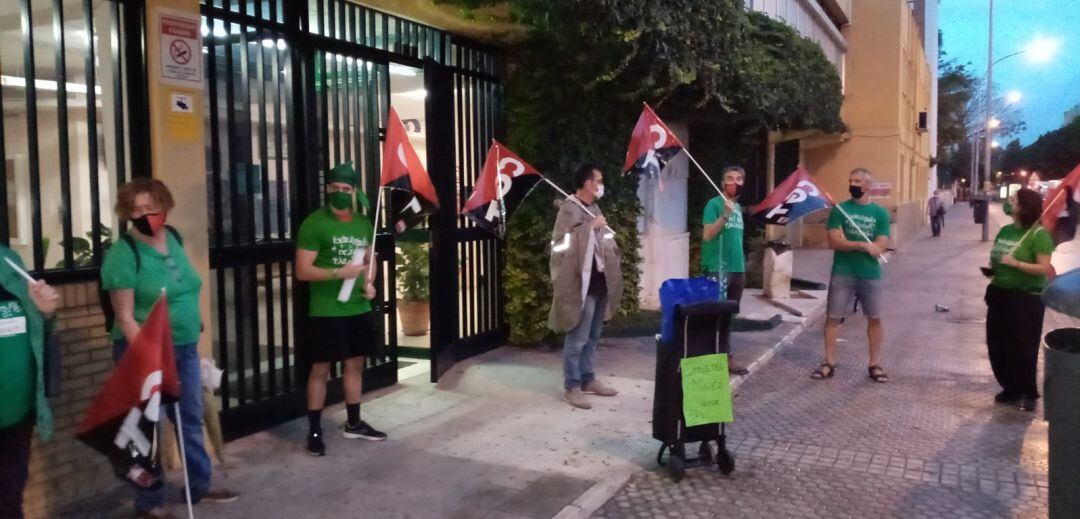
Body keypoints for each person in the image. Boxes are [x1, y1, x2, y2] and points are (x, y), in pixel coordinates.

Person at [101, 179, 238, 519]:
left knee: (191, 418)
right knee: (149, 428)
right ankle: (149, 502)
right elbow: (126, 317)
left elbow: (186, 289)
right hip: (143, 353)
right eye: (136, 210)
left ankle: (199, 486)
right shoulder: (123, 254)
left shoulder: (173, 238)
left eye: (151, 208)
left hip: (184, 348)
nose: (145, 215)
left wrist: (194, 328)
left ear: (165, 206)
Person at [295, 163, 385, 457]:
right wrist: (338, 273)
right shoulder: (314, 224)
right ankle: (315, 430)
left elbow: (370, 261)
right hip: (326, 309)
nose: (341, 194)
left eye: (347, 189)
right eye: (336, 188)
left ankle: (354, 423)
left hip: (357, 306)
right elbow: (303, 270)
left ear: (355, 191)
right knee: (320, 369)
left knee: (355, 364)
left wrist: (369, 283)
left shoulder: (363, 223)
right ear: (328, 189)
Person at [549, 163, 624, 409]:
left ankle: (588, 378)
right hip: (581, 285)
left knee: (593, 336)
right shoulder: (569, 210)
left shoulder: (593, 207)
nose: (602, 185)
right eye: (599, 180)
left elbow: (605, 242)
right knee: (578, 337)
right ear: (589, 183)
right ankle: (571, 386)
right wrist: (590, 229)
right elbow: (559, 247)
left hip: (600, 281)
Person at [811, 167, 891, 383]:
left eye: (857, 181)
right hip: (842, 272)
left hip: (870, 273)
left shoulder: (880, 213)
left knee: (875, 318)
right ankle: (829, 361)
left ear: (868, 186)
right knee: (833, 318)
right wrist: (862, 245)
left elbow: (882, 243)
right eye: (851, 180)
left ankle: (874, 364)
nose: (853, 184)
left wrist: (871, 246)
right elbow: (833, 241)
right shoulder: (840, 210)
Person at [0, 251, 60, 519]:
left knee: (10, 501)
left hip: (17, 411)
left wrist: (45, 313)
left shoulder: (8, 261)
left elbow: (38, 332)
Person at [985, 188, 1055, 412]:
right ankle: (1010, 388)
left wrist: (1017, 265)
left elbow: (1044, 268)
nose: (1008, 203)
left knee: (1023, 346)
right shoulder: (1005, 230)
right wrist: (993, 269)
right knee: (998, 344)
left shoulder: (1038, 234)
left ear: (1024, 207)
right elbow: (997, 257)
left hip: (1025, 299)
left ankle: (1027, 392)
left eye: (1013, 200)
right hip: (1000, 294)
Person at [700, 166, 749, 375]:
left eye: (739, 179)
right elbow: (707, 235)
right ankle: (710, 359)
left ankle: (725, 355)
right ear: (722, 183)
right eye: (730, 178)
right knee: (714, 316)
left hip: (737, 268)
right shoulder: (714, 204)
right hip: (718, 268)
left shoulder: (737, 207)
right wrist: (724, 216)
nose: (734, 182)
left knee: (728, 316)